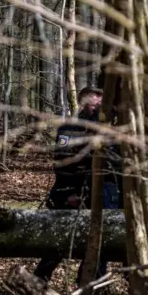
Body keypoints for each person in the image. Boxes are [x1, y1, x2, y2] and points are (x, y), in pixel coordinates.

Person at [33, 86, 120, 283]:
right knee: (63, 237)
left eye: (102, 102)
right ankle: (40, 278)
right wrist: (69, 192)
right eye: (95, 102)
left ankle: (90, 283)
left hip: (106, 191)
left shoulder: (114, 128)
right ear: (84, 103)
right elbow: (63, 162)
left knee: (102, 239)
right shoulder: (70, 129)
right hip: (73, 190)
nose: (99, 106)